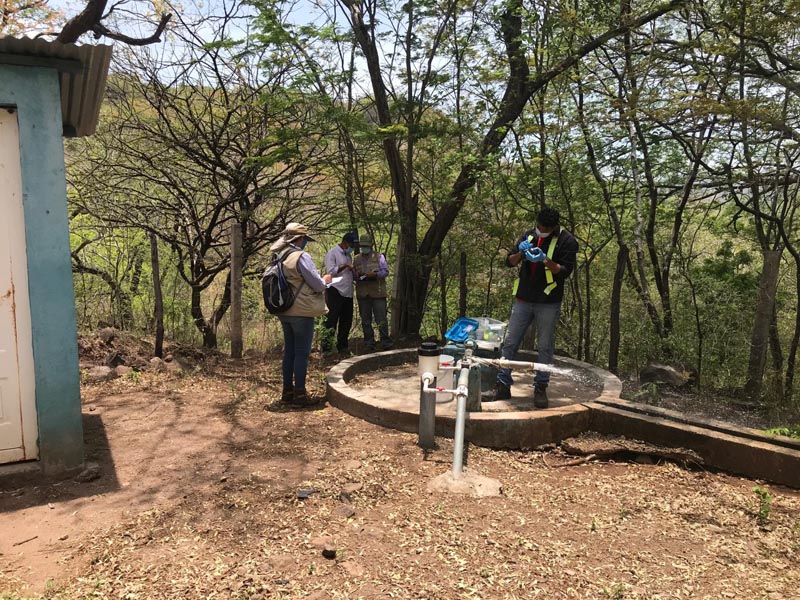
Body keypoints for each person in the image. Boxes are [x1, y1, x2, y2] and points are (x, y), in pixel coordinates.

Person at [493, 206, 578, 408]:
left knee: (545, 346)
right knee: (510, 343)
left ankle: (541, 387)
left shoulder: (567, 241)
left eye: (544, 228)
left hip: (548, 302)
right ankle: (502, 384)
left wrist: (545, 260)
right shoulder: (529, 236)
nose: (540, 230)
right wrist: (520, 254)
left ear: (554, 227)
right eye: (538, 226)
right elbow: (509, 261)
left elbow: (564, 271)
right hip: (523, 299)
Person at [269, 223, 332, 406]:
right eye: (304, 239)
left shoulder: (278, 255)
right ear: (300, 239)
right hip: (302, 311)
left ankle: (287, 393)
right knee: (301, 353)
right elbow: (318, 285)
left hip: (284, 309)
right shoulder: (300, 257)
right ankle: (300, 395)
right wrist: (326, 280)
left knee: (289, 352)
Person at [352, 233, 393, 351]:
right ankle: (369, 343)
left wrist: (375, 275)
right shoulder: (356, 258)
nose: (364, 248)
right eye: (362, 246)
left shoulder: (379, 257)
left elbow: (385, 272)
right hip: (363, 293)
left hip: (378, 293)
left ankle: (386, 342)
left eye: (366, 246)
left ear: (370, 245)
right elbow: (352, 275)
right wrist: (357, 275)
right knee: (365, 320)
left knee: (381, 319)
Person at [322, 231, 358, 356]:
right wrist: (344, 266)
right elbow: (330, 272)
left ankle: (342, 346)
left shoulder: (348, 256)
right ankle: (326, 348)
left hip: (347, 291)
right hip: (335, 290)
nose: (351, 249)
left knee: (346, 320)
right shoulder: (332, 253)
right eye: (351, 245)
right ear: (345, 243)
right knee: (331, 319)